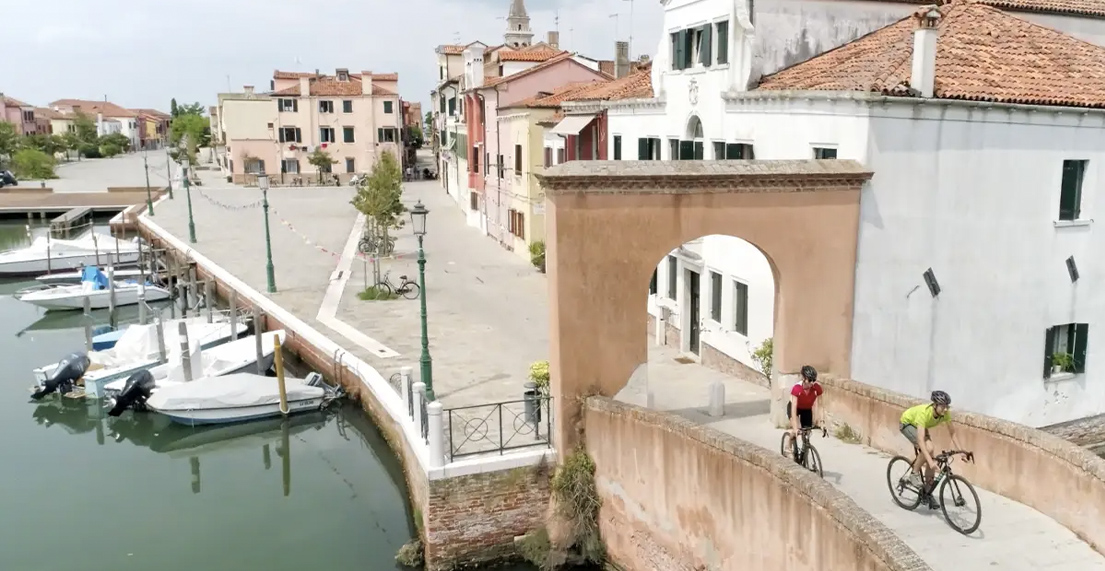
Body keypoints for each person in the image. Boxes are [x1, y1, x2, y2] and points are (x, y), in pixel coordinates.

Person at [900, 390, 969, 508]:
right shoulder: (924, 413)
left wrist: (961, 452)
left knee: (931, 449)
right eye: (942, 406)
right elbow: (921, 441)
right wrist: (931, 462)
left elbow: (952, 433)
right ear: (935, 405)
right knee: (927, 448)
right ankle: (914, 473)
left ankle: (927, 492)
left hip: (920, 425)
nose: (945, 409)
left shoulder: (945, 414)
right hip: (907, 423)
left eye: (947, 406)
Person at [785, 365, 824, 452]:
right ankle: (788, 446)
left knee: (807, 433)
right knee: (797, 431)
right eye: (809, 380)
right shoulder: (797, 389)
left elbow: (820, 406)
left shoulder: (817, 388)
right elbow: (793, 409)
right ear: (803, 378)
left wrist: (822, 422)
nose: (812, 383)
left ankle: (804, 452)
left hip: (806, 409)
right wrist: (795, 427)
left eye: (814, 380)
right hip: (795, 408)